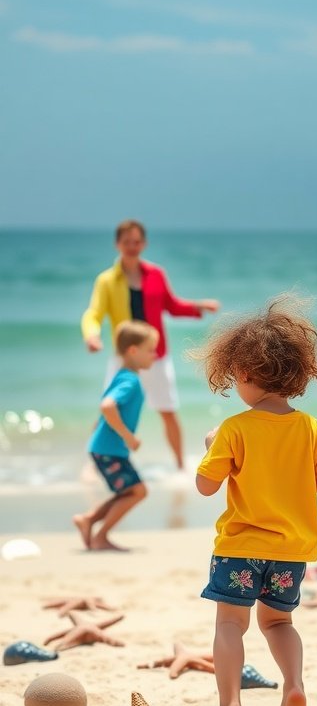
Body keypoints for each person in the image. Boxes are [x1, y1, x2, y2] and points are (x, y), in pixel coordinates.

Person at [191, 295, 317, 706]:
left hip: (240, 545)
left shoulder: (235, 428)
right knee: (278, 622)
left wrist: (211, 446)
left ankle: (230, 704)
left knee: (229, 623)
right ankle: (294, 687)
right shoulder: (311, 428)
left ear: (244, 374)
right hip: (291, 550)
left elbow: (206, 486)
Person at [81, 219, 219, 471]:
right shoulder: (107, 281)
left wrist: (198, 306)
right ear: (117, 244)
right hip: (124, 359)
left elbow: (172, 305)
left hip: (156, 355)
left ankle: (180, 468)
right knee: (107, 412)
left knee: (168, 411)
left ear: (143, 243)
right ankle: (92, 466)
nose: (132, 247)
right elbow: (94, 313)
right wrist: (92, 335)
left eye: (136, 242)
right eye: (126, 242)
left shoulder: (156, 274)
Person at [73, 321, 159, 551]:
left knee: (129, 491)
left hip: (106, 448)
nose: (155, 354)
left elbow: (104, 411)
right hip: (109, 448)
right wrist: (128, 436)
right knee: (139, 491)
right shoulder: (129, 381)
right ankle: (100, 536)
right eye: (150, 349)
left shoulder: (122, 376)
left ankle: (89, 520)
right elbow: (107, 406)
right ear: (133, 350)